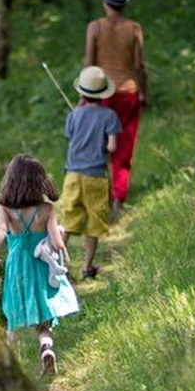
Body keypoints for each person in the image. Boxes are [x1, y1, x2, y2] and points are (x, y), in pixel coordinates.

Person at [0, 154, 69, 375]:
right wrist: (61, 238)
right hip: (40, 266)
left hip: (18, 265)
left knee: (13, 310)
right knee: (44, 317)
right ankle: (46, 348)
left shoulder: (5, 208)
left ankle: (9, 365)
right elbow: (57, 242)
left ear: (11, 180)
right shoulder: (47, 209)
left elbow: (1, 231)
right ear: (39, 181)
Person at [85, 0, 147, 220]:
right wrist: (144, 92)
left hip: (102, 94)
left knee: (98, 147)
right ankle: (118, 201)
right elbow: (139, 66)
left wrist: (84, 96)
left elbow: (89, 63)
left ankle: (101, 198)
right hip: (128, 93)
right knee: (124, 148)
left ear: (105, 2)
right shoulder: (134, 29)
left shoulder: (95, 27)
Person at [61, 66, 122, 281]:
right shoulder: (110, 116)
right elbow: (113, 147)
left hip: (73, 175)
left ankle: (57, 265)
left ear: (82, 93)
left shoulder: (74, 115)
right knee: (94, 222)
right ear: (103, 93)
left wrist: (78, 111)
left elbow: (70, 137)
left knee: (67, 220)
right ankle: (87, 268)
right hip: (96, 174)